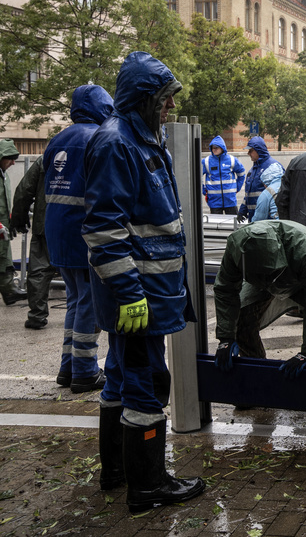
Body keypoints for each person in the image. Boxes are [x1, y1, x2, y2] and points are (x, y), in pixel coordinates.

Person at [83, 51, 204, 512]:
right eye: (164, 99)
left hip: (146, 294)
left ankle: (117, 472)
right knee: (147, 383)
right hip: (139, 298)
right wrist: (131, 294)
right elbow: (104, 231)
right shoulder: (119, 144)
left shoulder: (141, 140)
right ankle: (149, 486)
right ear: (142, 99)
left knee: (120, 378)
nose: (170, 107)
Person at [41, 85, 114, 393]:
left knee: (75, 298)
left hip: (57, 232)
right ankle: (84, 369)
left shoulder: (57, 139)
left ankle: (68, 366)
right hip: (83, 232)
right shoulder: (98, 138)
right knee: (90, 301)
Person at [213, 219, 306, 379]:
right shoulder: (236, 248)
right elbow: (225, 289)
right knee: (243, 318)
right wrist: (226, 337)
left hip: (300, 275)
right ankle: (256, 379)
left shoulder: (301, 249)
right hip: (259, 276)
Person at [11, 156, 57, 329]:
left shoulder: (46, 158)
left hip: (45, 224)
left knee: (39, 271)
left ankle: (37, 316)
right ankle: (86, 316)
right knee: (83, 270)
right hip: (78, 224)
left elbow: (24, 191)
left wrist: (19, 219)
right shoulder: (93, 149)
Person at [0, 139, 27, 306]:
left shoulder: (4, 175)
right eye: (10, 158)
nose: (13, 162)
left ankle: (9, 290)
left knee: (4, 258)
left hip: (3, 227)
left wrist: (10, 219)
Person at [237, 136, 281, 223]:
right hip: (254, 219)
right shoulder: (253, 170)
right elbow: (248, 194)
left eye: (251, 151)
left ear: (259, 150)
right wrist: (243, 210)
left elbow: (278, 195)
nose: (248, 153)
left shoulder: (273, 167)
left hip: (268, 220)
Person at [202, 135, 245, 215]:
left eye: (216, 148)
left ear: (222, 148)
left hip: (230, 200)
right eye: (212, 148)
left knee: (233, 224)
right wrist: (203, 189)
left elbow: (241, 174)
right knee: (216, 225)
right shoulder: (206, 161)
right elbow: (197, 176)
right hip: (214, 201)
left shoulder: (232, 160)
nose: (214, 149)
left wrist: (237, 187)